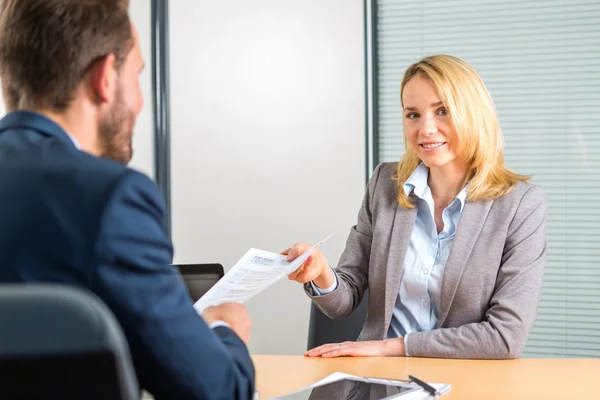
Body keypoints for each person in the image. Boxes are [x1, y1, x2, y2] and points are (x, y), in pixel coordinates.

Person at [0, 1, 254, 398]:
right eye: (136, 74)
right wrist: (223, 330)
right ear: (104, 78)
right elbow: (217, 391)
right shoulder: (110, 199)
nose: (138, 101)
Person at [284, 54, 547, 359]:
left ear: (474, 115)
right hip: (380, 381)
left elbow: (505, 337)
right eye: (413, 115)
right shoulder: (385, 183)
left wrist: (390, 348)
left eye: (442, 111)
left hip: (464, 383)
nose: (426, 129)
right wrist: (321, 273)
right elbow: (344, 301)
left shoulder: (520, 205)